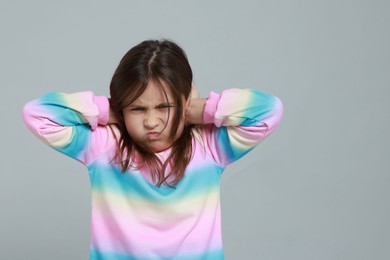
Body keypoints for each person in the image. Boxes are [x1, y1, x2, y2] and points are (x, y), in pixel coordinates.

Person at [22, 39, 283, 260]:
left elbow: (268, 111)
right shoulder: (103, 145)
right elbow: (37, 115)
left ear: (185, 101)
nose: (151, 122)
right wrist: (109, 110)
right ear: (121, 107)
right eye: (137, 108)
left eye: (164, 107)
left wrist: (196, 110)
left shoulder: (209, 146)